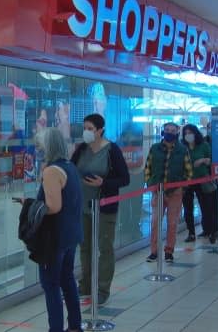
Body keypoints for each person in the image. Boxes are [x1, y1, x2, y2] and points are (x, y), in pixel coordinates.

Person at [71, 114, 129, 305]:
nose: (86, 132)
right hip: (83, 206)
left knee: (105, 248)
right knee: (85, 247)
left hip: (104, 206)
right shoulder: (81, 149)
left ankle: (103, 288)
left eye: (90, 128)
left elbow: (124, 178)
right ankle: (86, 285)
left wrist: (103, 183)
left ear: (100, 130)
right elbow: (70, 170)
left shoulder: (112, 150)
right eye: (85, 128)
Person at [36, 127, 84, 332]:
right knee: (67, 279)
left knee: (51, 285)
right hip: (70, 234)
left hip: (54, 237)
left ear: (48, 146)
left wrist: (31, 206)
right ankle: (75, 325)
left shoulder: (51, 171)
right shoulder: (70, 166)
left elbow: (54, 206)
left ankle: (55, 328)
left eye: (40, 145)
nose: (38, 149)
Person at [144, 122, 193, 263]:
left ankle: (169, 251)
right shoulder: (155, 148)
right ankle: (153, 252)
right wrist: (150, 183)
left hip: (175, 193)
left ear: (177, 133)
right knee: (155, 222)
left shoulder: (182, 150)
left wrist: (182, 189)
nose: (169, 133)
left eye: (172, 130)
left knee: (172, 223)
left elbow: (189, 171)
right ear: (162, 132)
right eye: (167, 130)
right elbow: (148, 167)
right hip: (157, 191)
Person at [180, 124, 217, 244]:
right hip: (187, 181)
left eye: (190, 133)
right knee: (188, 207)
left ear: (195, 133)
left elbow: (212, 160)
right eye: (186, 133)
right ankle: (191, 233)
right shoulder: (182, 147)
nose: (188, 135)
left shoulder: (204, 145)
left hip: (202, 179)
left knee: (206, 206)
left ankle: (208, 230)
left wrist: (203, 160)